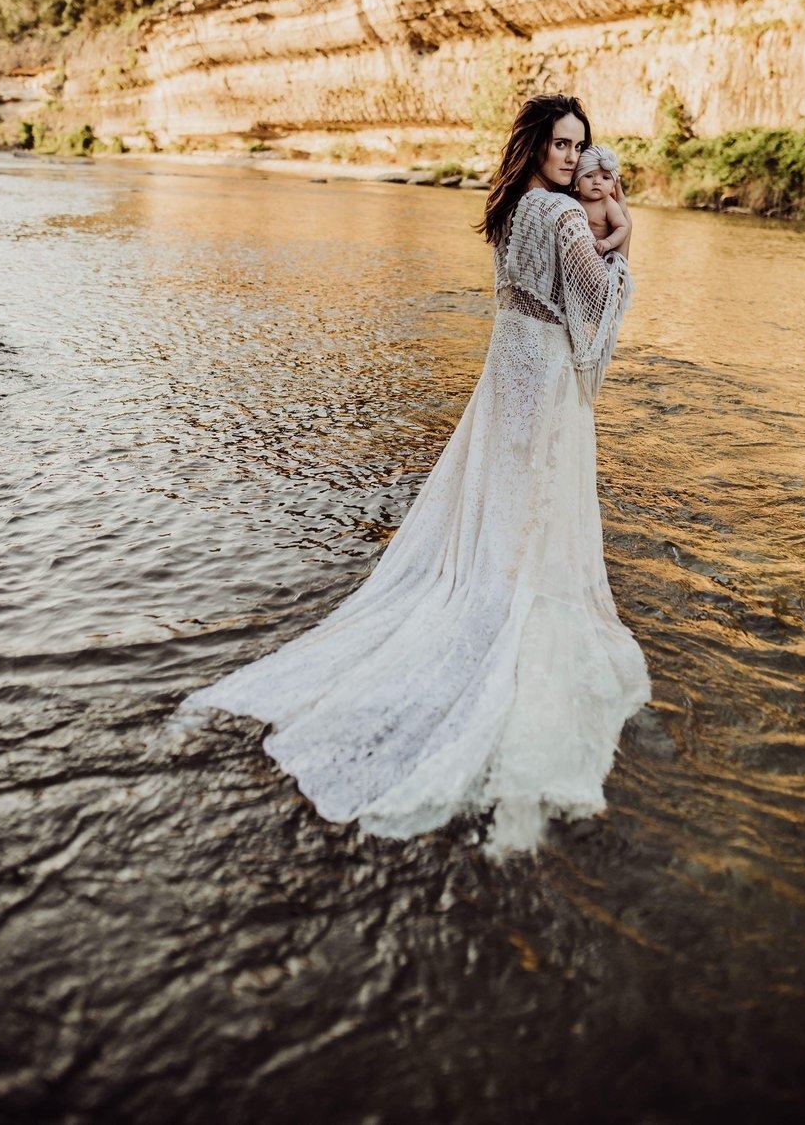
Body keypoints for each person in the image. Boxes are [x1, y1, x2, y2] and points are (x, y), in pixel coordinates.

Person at [170, 93, 652, 860]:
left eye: (579, 147)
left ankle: (491, 584)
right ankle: (510, 602)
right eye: (561, 145)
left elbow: (531, 294)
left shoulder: (513, 210)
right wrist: (623, 234)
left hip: (507, 368)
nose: (571, 158)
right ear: (535, 146)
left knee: (501, 490)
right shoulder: (562, 216)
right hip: (546, 370)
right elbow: (595, 298)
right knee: (536, 494)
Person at [572, 143, 633, 258]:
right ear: (577, 179)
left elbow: (623, 227)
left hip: (598, 259)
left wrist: (608, 242)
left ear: (613, 184)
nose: (597, 182)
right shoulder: (570, 198)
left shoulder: (608, 204)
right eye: (589, 176)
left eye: (605, 178)